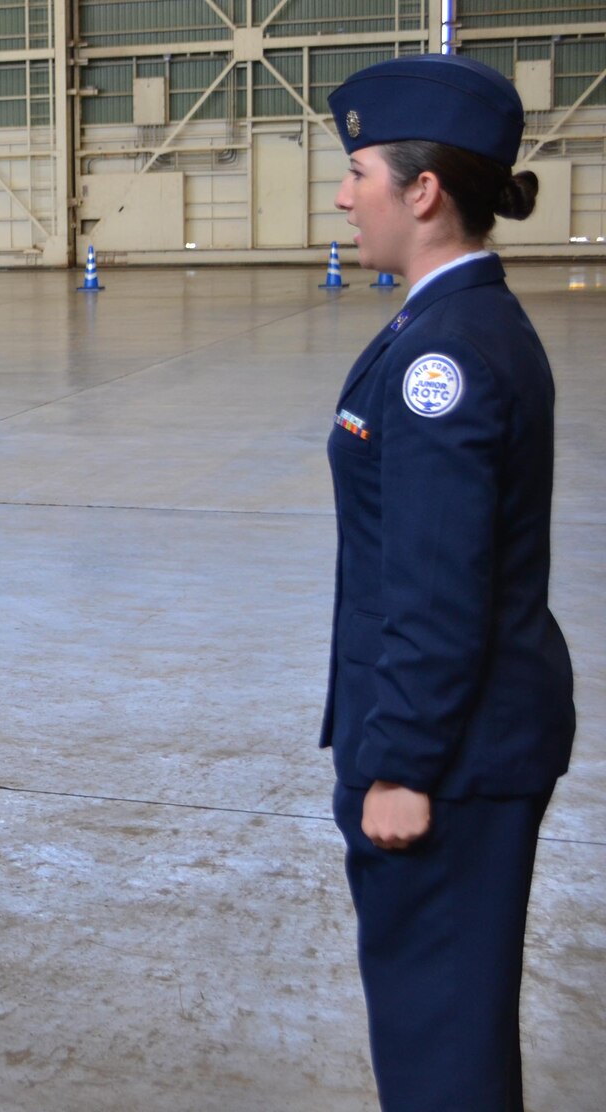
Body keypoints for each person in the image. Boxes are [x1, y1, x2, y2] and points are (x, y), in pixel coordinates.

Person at [322, 54, 574, 1111]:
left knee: (439, 1045)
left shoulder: (444, 357)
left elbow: (437, 584)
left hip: (449, 757)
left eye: (356, 170)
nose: (341, 193)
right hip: (467, 740)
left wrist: (399, 765)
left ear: (420, 191)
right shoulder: (445, 321)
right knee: (445, 1020)